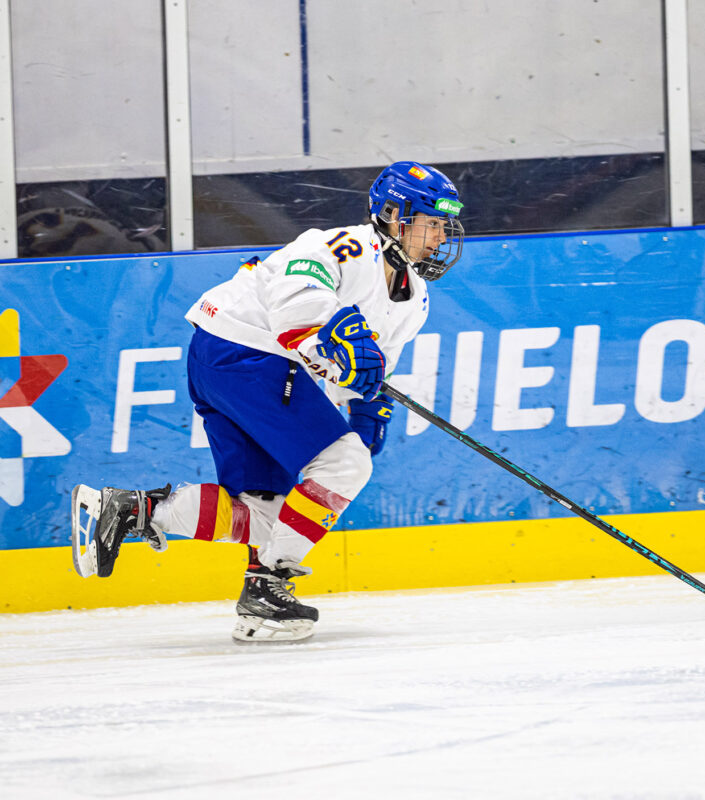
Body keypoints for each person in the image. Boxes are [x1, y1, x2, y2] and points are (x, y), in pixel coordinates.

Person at [71, 161, 464, 642]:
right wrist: (333, 326)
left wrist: (366, 404)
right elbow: (297, 301)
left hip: (231, 363)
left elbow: (368, 369)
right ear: (393, 215)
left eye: (444, 226)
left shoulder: (414, 299)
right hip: (247, 353)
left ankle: (135, 512)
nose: (440, 237)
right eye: (432, 224)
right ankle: (271, 581)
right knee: (345, 464)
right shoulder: (347, 246)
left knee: (267, 512)